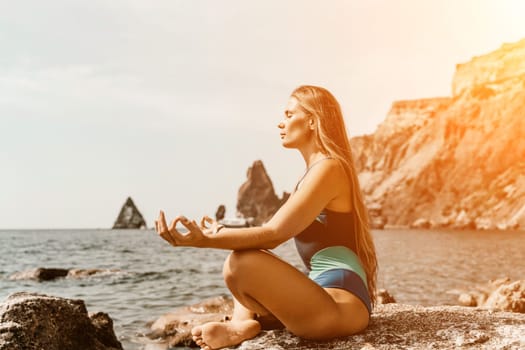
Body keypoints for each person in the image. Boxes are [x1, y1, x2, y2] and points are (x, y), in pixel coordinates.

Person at [155, 85, 378, 350]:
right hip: (322, 298)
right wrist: (222, 231)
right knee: (242, 258)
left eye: (288, 114)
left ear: (311, 121)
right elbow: (265, 231)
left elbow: (273, 234)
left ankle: (243, 323)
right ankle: (245, 323)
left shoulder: (330, 168)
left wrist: (201, 240)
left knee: (242, 262)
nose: (280, 123)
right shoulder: (313, 173)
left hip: (340, 308)